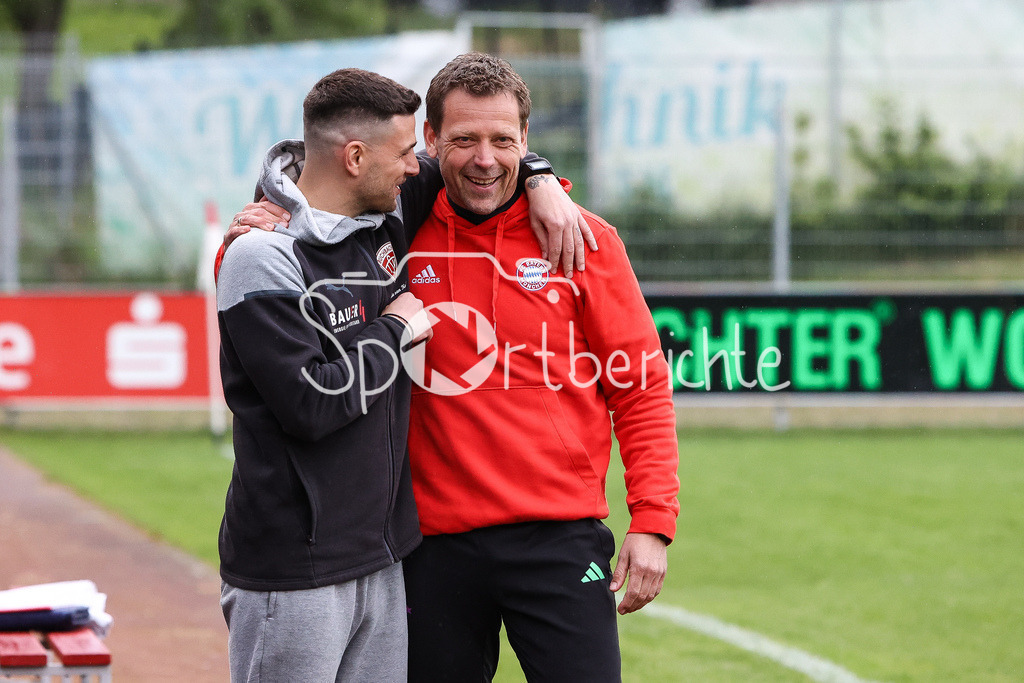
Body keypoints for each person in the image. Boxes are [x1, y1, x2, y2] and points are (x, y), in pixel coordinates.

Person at [401, 52, 680, 682]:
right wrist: (266, 217)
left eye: (503, 140)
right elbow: (318, 197)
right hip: (430, 546)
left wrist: (653, 521)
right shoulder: (395, 231)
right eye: (464, 139)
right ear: (429, 140)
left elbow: (639, 388)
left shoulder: (583, 240)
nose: (484, 158)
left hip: (558, 540)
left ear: (527, 143)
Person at [215, 68, 434, 682]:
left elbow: (485, 147)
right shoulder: (262, 255)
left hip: (382, 558)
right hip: (293, 570)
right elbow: (312, 404)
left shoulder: (386, 213)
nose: (418, 167)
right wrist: (396, 330)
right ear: (355, 156)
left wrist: (543, 177)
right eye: (405, 153)